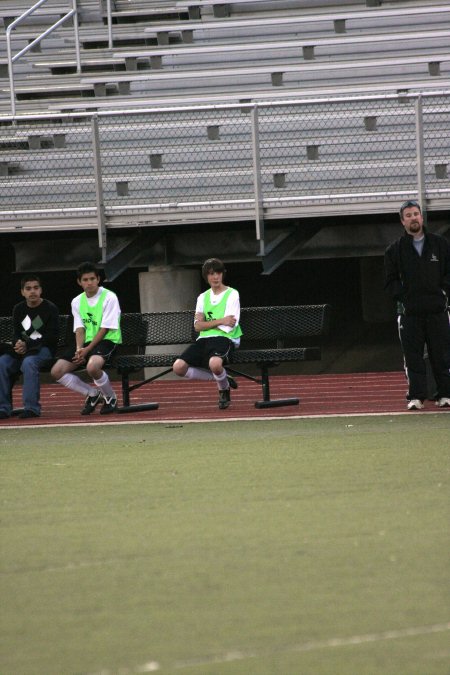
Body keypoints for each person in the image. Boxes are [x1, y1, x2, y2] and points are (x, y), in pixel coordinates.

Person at [384, 199, 450, 410]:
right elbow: (390, 281)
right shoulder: (395, 250)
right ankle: (416, 397)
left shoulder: (440, 244)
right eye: (409, 215)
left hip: (437, 310)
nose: (413, 218)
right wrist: (405, 298)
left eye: (416, 214)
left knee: (441, 354)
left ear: (422, 217)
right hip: (410, 313)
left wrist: (443, 293)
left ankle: (445, 394)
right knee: (413, 356)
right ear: (403, 221)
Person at [51, 262, 121, 415]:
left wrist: (87, 350)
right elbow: (79, 328)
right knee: (57, 371)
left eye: (92, 279)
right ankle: (93, 394)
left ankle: (111, 397)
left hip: (108, 340)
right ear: (79, 282)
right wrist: (79, 349)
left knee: (92, 367)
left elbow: (105, 328)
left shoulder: (110, 297)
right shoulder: (77, 301)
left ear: (98, 279)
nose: (89, 283)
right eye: (85, 280)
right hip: (87, 344)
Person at [173, 258, 242, 409]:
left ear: (222, 274)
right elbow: (197, 327)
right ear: (206, 277)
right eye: (211, 274)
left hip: (225, 338)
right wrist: (220, 320)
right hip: (204, 339)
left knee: (215, 364)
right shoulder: (202, 297)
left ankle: (223, 389)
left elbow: (229, 325)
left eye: (217, 272)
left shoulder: (232, 294)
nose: (215, 277)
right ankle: (223, 378)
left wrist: (207, 324)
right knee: (178, 367)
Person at [0, 275, 59, 419]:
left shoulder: (50, 308)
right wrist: (18, 344)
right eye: (28, 288)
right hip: (23, 350)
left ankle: (31, 408)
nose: (32, 291)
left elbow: (52, 338)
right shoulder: (18, 309)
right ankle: (3, 408)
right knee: (2, 363)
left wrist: (28, 345)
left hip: (43, 350)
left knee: (29, 363)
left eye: (35, 288)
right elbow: (16, 334)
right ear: (22, 292)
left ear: (41, 290)